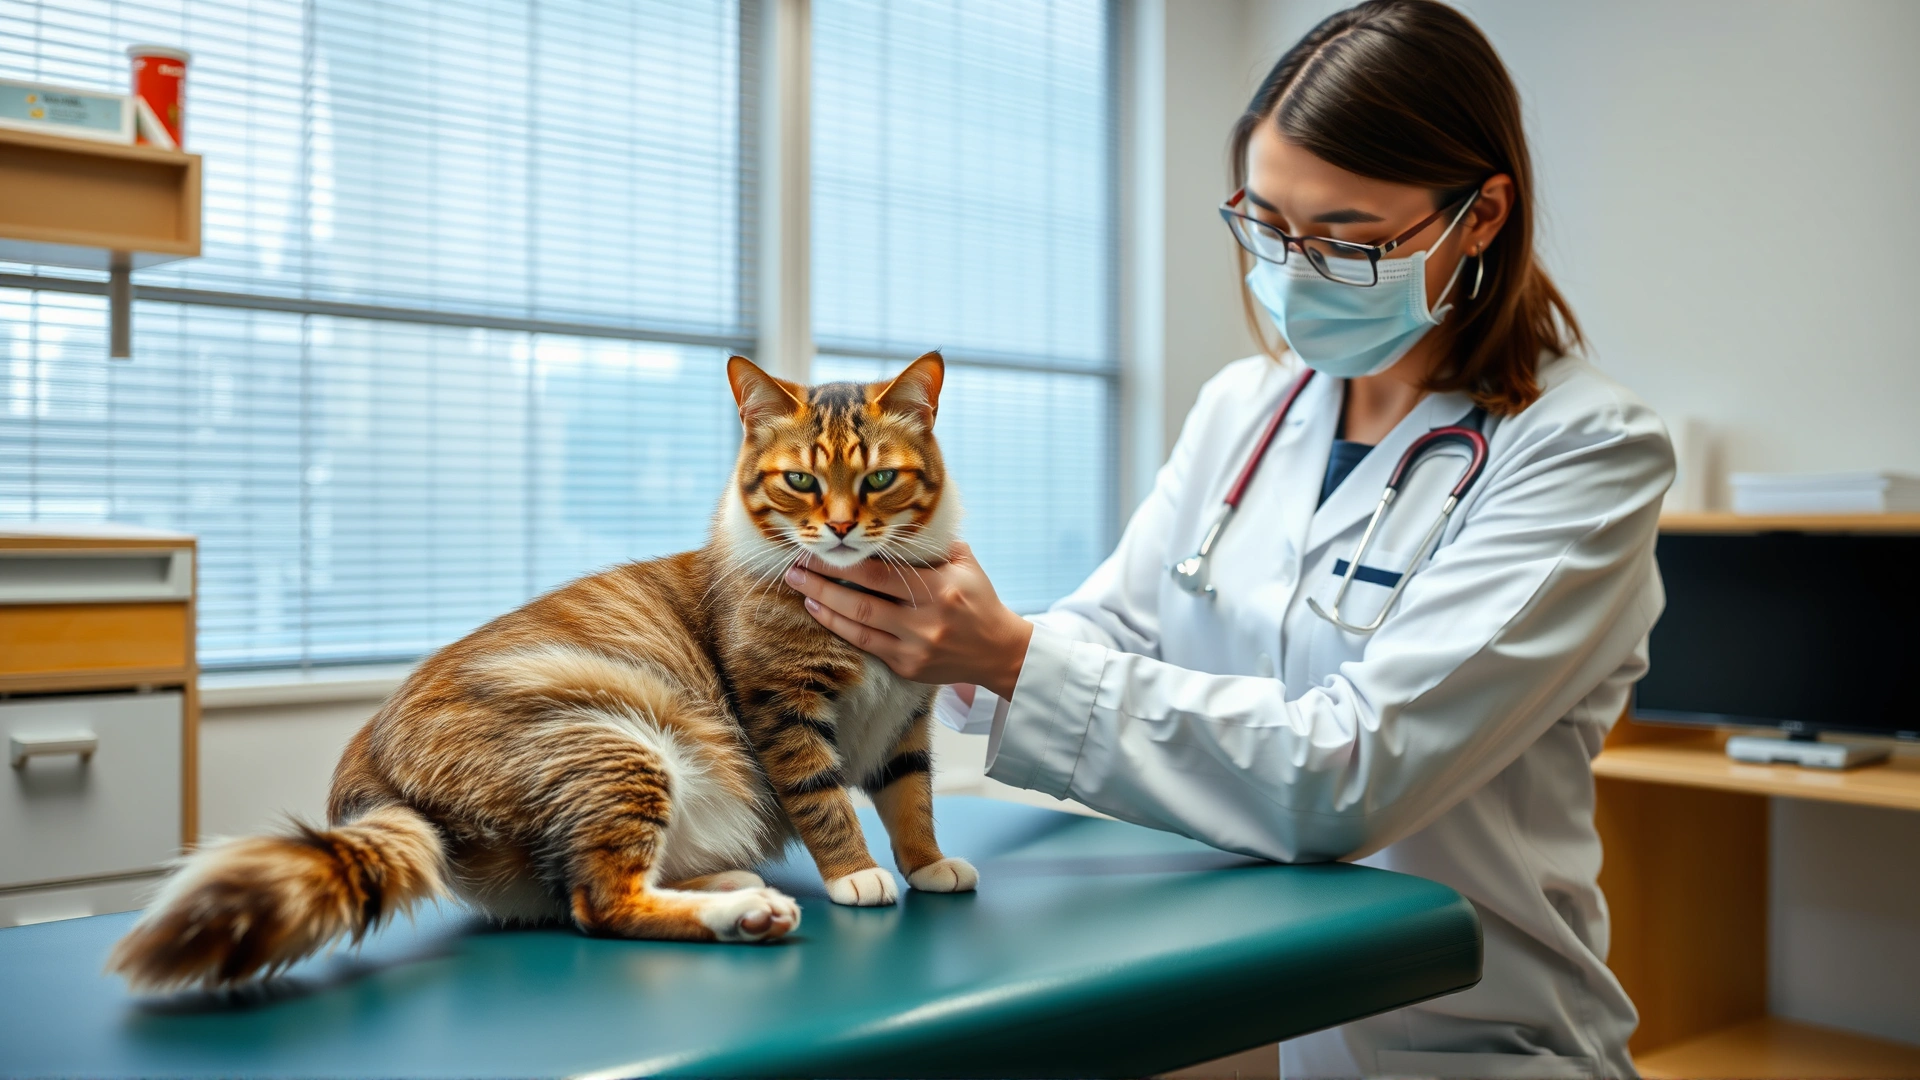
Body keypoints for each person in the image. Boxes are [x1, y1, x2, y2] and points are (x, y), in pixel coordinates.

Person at [782, 1, 1670, 1076]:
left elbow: (1351, 773)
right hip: (1278, 1021)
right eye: (1266, 226)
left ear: (1479, 217)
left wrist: (1007, 656)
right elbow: (1114, 627)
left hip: (1483, 1035)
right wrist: (937, 623)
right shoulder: (1246, 407)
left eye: (1346, 238)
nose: (1294, 271)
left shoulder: (1588, 451)